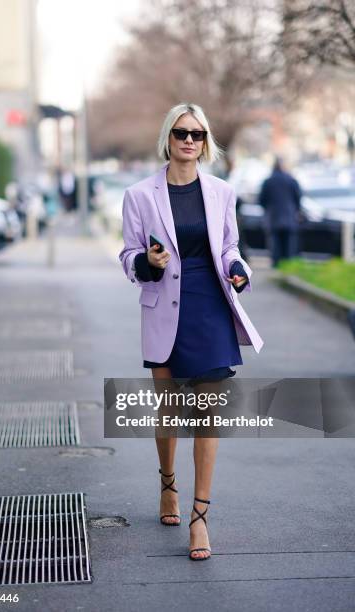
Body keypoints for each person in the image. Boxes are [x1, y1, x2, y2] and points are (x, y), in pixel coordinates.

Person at [118, 103, 264, 561]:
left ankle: (200, 517)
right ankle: (168, 486)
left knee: (207, 416)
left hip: (210, 306)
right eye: (181, 132)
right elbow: (128, 256)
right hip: (165, 308)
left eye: (198, 134)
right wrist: (148, 262)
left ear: (205, 143)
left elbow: (229, 246)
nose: (189, 140)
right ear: (168, 138)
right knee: (168, 412)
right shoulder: (140, 195)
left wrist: (238, 268)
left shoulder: (221, 191)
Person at [258, 157, 302, 267]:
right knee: (289, 249)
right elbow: (298, 198)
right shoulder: (291, 180)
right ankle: (287, 270)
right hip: (289, 218)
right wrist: (296, 210)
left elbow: (261, 200)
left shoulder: (268, 182)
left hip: (273, 218)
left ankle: (276, 268)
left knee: (275, 248)